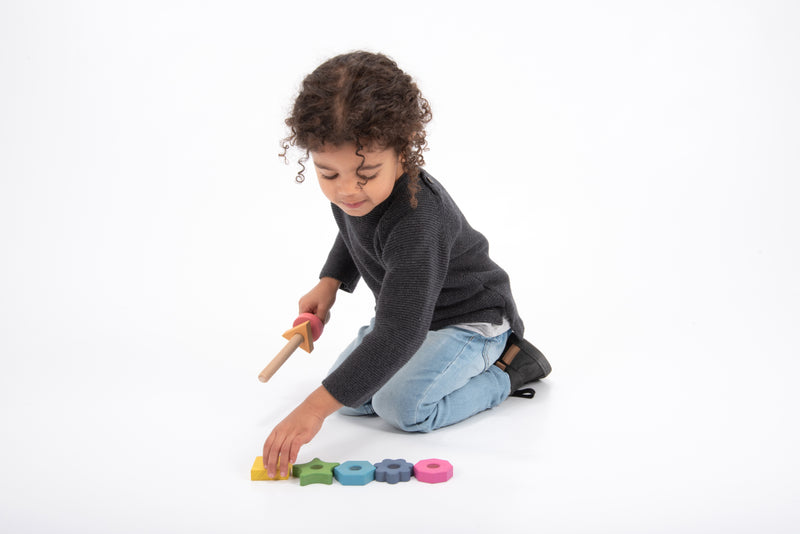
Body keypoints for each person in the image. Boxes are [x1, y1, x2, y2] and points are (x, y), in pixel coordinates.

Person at [262, 51, 551, 478]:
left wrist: (313, 410)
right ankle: (393, 364)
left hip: (469, 321)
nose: (347, 191)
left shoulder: (418, 220)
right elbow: (352, 230)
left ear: (404, 151)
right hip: (411, 317)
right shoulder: (355, 195)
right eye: (328, 175)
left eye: (366, 174)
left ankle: (509, 371)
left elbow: (400, 332)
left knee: (402, 407)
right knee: (357, 401)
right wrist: (331, 281)